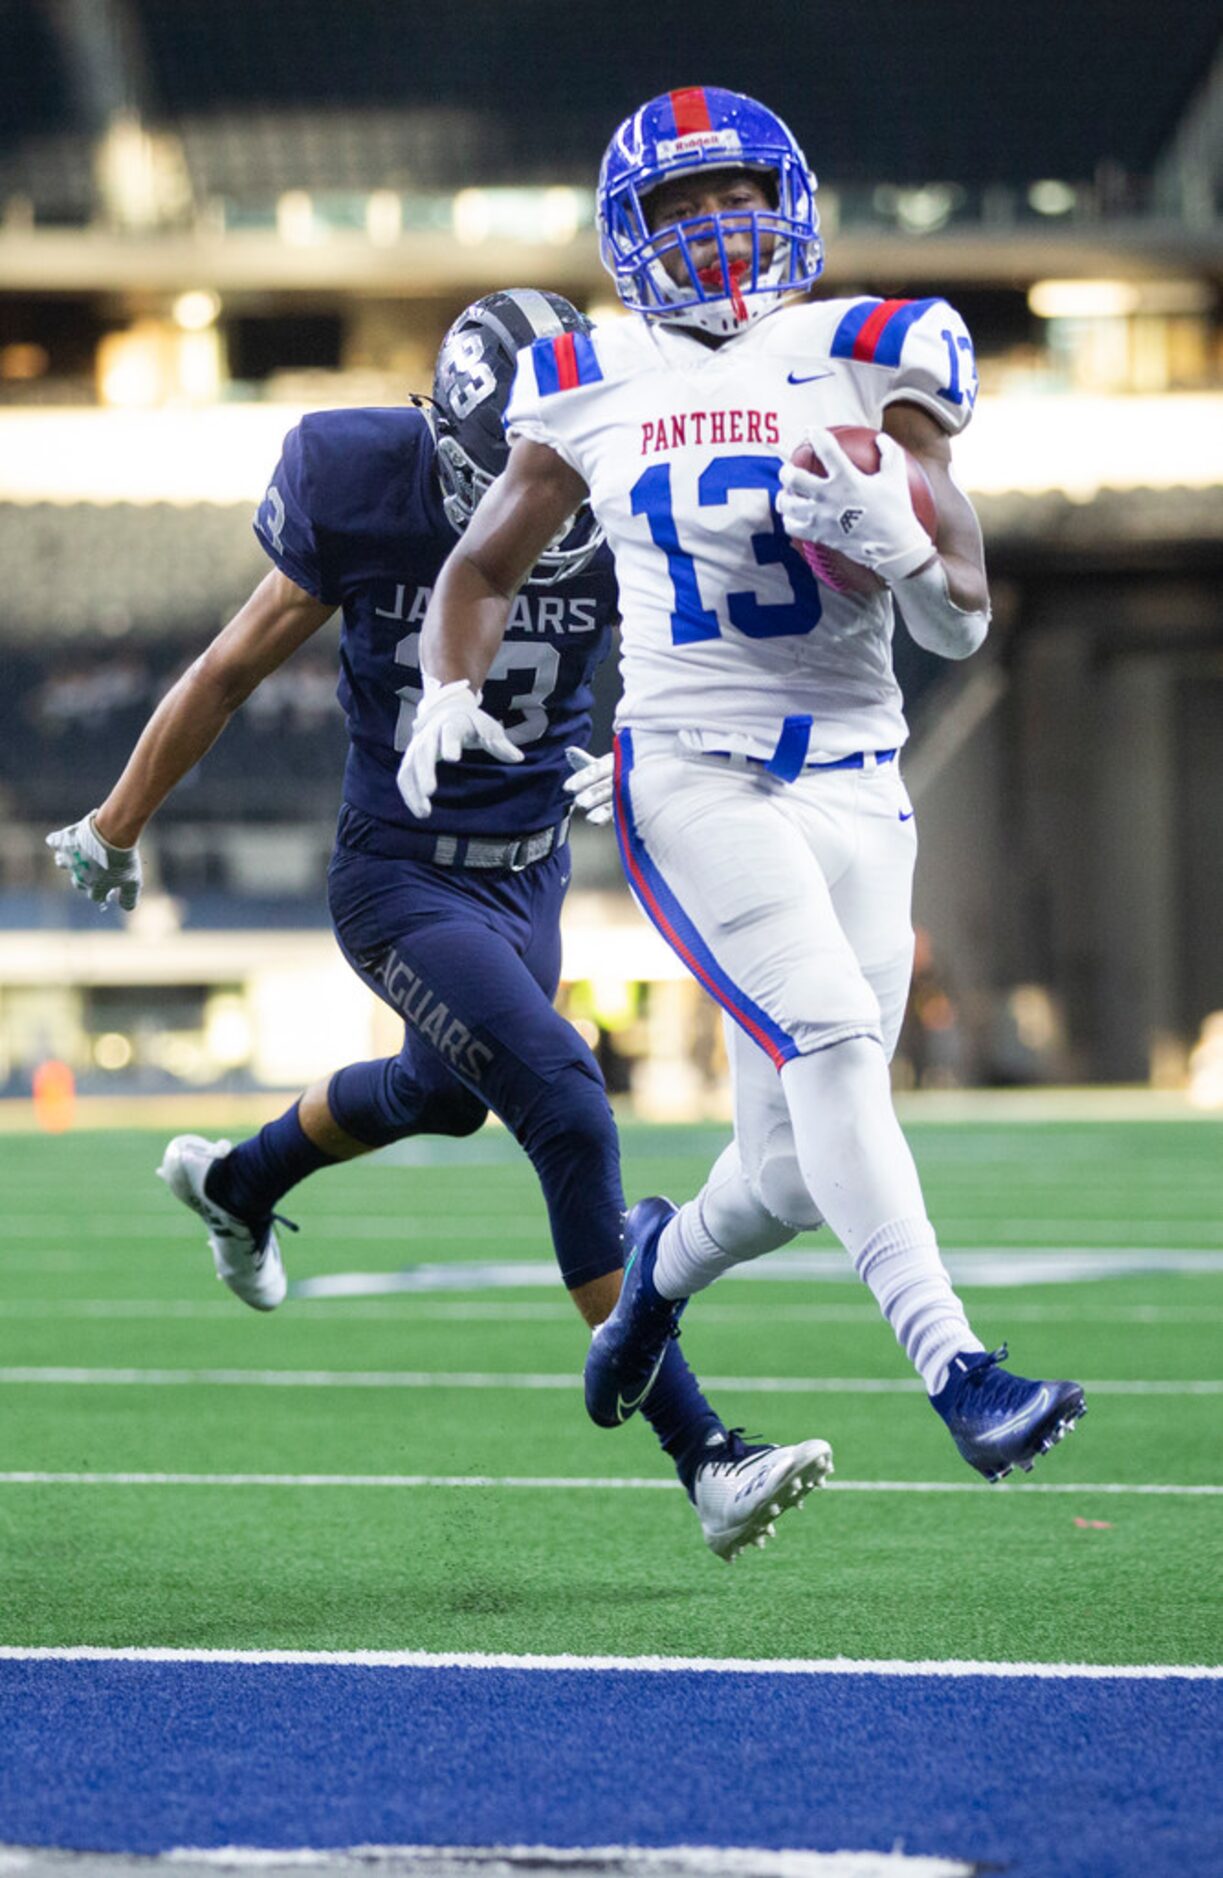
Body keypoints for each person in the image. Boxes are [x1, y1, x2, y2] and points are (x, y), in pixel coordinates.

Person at [46, 287, 832, 1562]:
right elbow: (231, 665)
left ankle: (238, 1184)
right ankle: (707, 1459)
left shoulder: (640, 467)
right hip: (399, 874)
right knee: (567, 1105)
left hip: (526, 874)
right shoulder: (361, 481)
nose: (524, 493)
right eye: (496, 466)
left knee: (446, 1091)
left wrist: (662, 754)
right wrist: (115, 822)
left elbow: (736, 643)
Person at [397, 90, 1087, 1485]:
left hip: (855, 783)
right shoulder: (583, 371)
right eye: (679, 206)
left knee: (784, 1168)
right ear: (628, 233)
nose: (714, 226)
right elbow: (477, 570)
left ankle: (653, 1275)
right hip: (690, 775)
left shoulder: (869, 349)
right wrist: (446, 688)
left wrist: (897, 541)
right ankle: (957, 1366)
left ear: (788, 200)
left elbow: (960, 619)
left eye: (733, 195)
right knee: (830, 1042)